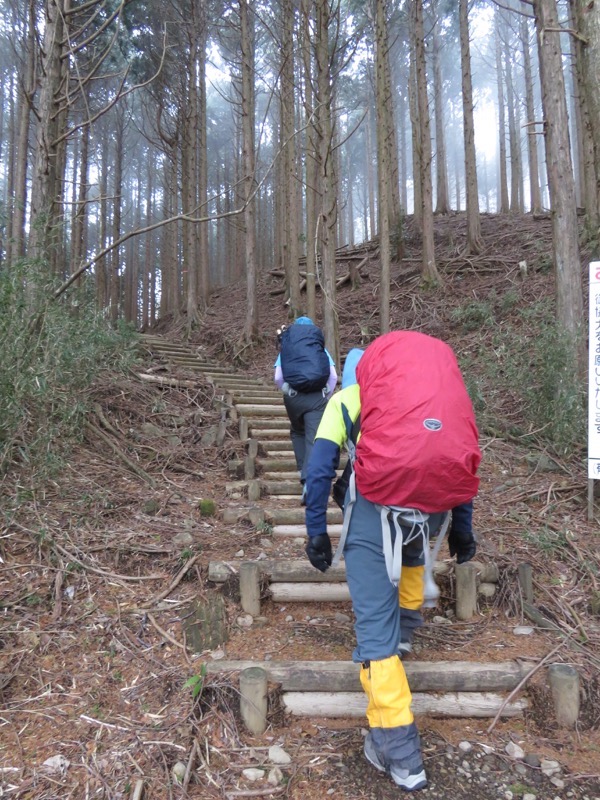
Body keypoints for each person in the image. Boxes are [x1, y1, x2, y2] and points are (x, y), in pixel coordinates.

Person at [304, 331, 481, 792]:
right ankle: (403, 639)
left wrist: (317, 532)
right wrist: (462, 529)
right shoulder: (433, 403)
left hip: (373, 514)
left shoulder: (346, 398)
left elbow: (320, 467)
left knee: (372, 633)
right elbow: (459, 465)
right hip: (428, 512)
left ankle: (400, 752)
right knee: (411, 564)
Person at [273, 316, 337, 504]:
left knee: (297, 432)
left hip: (293, 398)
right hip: (316, 398)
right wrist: (326, 394)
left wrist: (286, 389)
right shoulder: (319, 348)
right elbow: (332, 376)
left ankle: (302, 471)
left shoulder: (288, 346)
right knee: (313, 437)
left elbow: (278, 377)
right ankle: (310, 482)